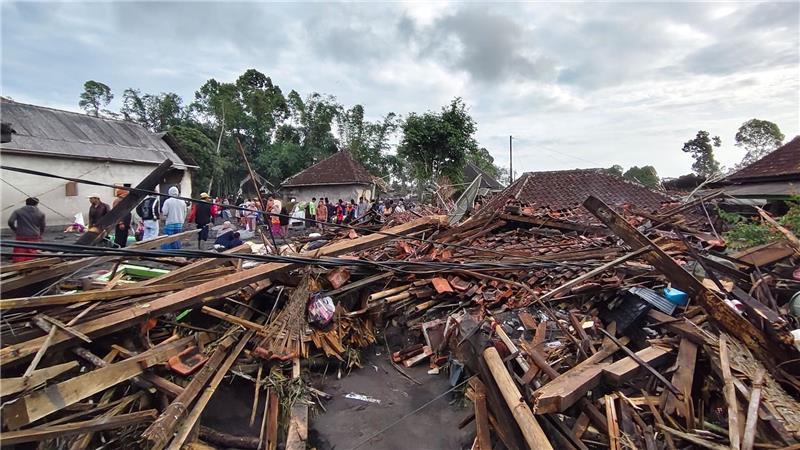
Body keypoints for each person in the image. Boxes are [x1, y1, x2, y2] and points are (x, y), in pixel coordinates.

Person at [7, 197, 45, 262]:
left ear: (26, 203)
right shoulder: (41, 213)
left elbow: (10, 222)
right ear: (37, 204)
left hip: (21, 234)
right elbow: (42, 226)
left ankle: (18, 265)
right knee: (32, 251)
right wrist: (40, 234)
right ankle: (31, 265)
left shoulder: (18, 211)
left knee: (19, 251)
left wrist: (15, 230)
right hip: (34, 235)